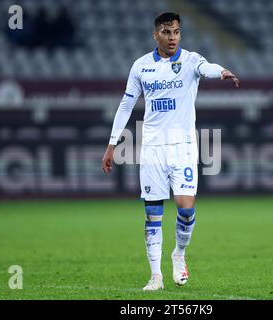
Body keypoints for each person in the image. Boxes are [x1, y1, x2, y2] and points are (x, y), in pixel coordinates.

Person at [101, 12, 240, 291]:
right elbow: (126, 105)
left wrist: (222, 71)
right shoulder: (141, 67)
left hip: (184, 147)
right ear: (156, 35)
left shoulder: (190, 60)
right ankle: (155, 276)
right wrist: (112, 143)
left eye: (176, 32)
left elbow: (207, 67)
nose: (172, 37)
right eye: (166, 32)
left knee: (186, 209)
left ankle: (179, 253)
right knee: (153, 212)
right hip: (152, 147)